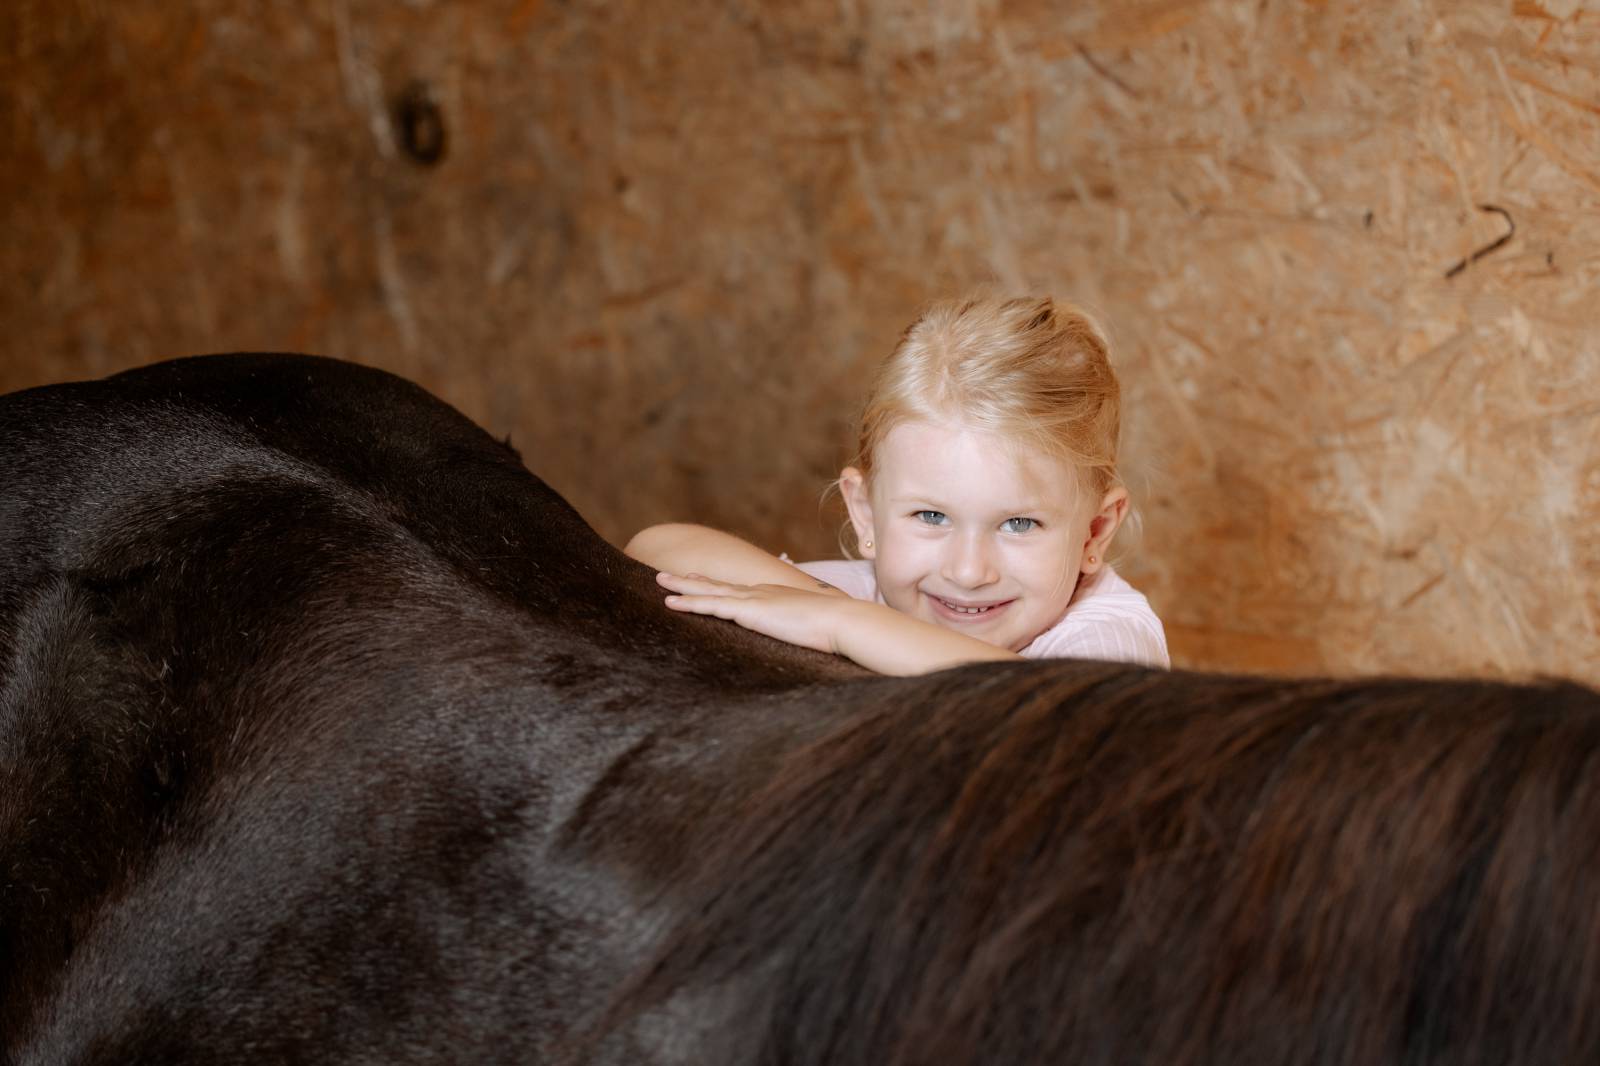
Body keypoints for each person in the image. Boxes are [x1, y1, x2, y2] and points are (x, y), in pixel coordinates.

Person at [624, 295, 1169, 675]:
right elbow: (658, 549)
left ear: (1094, 533)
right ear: (865, 514)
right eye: (931, 517)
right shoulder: (868, 592)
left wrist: (846, 626)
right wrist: (826, 606)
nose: (967, 572)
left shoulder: (1110, 636)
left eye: (1019, 523)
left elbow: (1057, 716)